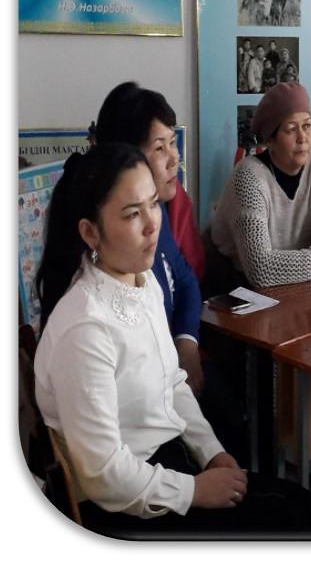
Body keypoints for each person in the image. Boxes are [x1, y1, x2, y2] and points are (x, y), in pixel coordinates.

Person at [33, 144, 311, 537]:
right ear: (90, 232)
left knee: (299, 506)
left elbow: (172, 382)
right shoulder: (85, 328)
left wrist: (211, 452)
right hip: (120, 505)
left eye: (153, 204)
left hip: (165, 462)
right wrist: (195, 490)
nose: (153, 224)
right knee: (289, 521)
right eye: (132, 214)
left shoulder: (141, 279)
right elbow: (103, 475)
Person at [92, 83, 204, 395]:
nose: (174, 158)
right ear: (126, 157)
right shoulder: (103, 247)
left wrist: (186, 342)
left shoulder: (158, 211)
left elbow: (186, 280)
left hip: (174, 369)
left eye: (173, 143)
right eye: (159, 148)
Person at [210, 82, 311, 288]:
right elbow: (261, 270)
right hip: (235, 286)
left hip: (301, 285)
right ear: (271, 140)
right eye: (291, 129)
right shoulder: (248, 177)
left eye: (307, 126)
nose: (303, 138)